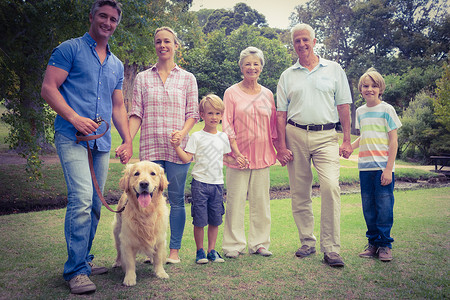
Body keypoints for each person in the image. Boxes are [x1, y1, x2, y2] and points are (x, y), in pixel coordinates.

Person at [41, 0, 132, 294]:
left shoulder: (116, 64)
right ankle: (76, 271)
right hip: (72, 137)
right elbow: (48, 88)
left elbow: (118, 105)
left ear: (117, 23)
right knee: (81, 198)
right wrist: (75, 118)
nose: (108, 23)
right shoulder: (69, 49)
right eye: (103, 16)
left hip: (102, 143)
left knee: (94, 205)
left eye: (113, 19)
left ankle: (84, 260)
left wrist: (128, 139)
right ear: (92, 16)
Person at [276, 23, 353, 267]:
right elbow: (280, 113)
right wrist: (280, 145)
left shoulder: (333, 69)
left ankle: (331, 248)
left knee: (330, 187)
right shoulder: (287, 75)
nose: (301, 44)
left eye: (305, 40)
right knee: (300, 191)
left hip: (326, 136)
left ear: (314, 40)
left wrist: (348, 139)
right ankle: (307, 241)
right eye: (297, 41)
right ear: (293, 44)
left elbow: (343, 106)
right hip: (295, 134)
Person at [128, 26, 199, 264]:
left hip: (177, 150)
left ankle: (173, 252)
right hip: (150, 150)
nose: (162, 46)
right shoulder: (142, 78)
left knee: (176, 200)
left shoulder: (187, 78)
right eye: (158, 42)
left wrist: (183, 132)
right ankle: (150, 249)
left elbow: (193, 113)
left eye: (167, 41)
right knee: (145, 199)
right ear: (155, 46)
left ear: (176, 45)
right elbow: (136, 113)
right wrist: (128, 142)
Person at [170, 94, 246, 264]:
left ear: (221, 115)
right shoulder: (196, 136)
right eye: (210, 113)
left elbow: (226, 158)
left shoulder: (223, 137)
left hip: (217, 184)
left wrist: (238, 160)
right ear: (202, 115)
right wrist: (176, 147)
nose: (214, 117)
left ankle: (212, 251)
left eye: (218, 113)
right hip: (200, 184)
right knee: (200, 220)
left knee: (215, 219)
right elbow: (187, 158)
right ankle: (200, 252)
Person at [222, 46, 281, 259]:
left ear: (261, 68)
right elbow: (227, 124)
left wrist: (279, 149)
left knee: (261, 203)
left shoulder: (268, 94)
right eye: (247, 63)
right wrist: (236, 153)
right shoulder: (231, 92)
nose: (252, 67)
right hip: (239, 157)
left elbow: (273, 126)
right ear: (241, 67)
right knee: (235, 202)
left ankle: (260, 244)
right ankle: (233, 245)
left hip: (263, 155)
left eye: (256, 64)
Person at [352, 68, 401, 262]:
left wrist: (388, 168)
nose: (369, 89)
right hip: (365, 167)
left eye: (373, 86)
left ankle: (385, 245)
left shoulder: (387, 109)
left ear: (380, 88)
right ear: (360, 89)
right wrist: (349, 147)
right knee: (369, 207)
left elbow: (393, 141)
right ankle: (373, 244)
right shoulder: (360, 111)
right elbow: (364, 136)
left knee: (384, 206)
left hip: (383, 168)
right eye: (365, 86)